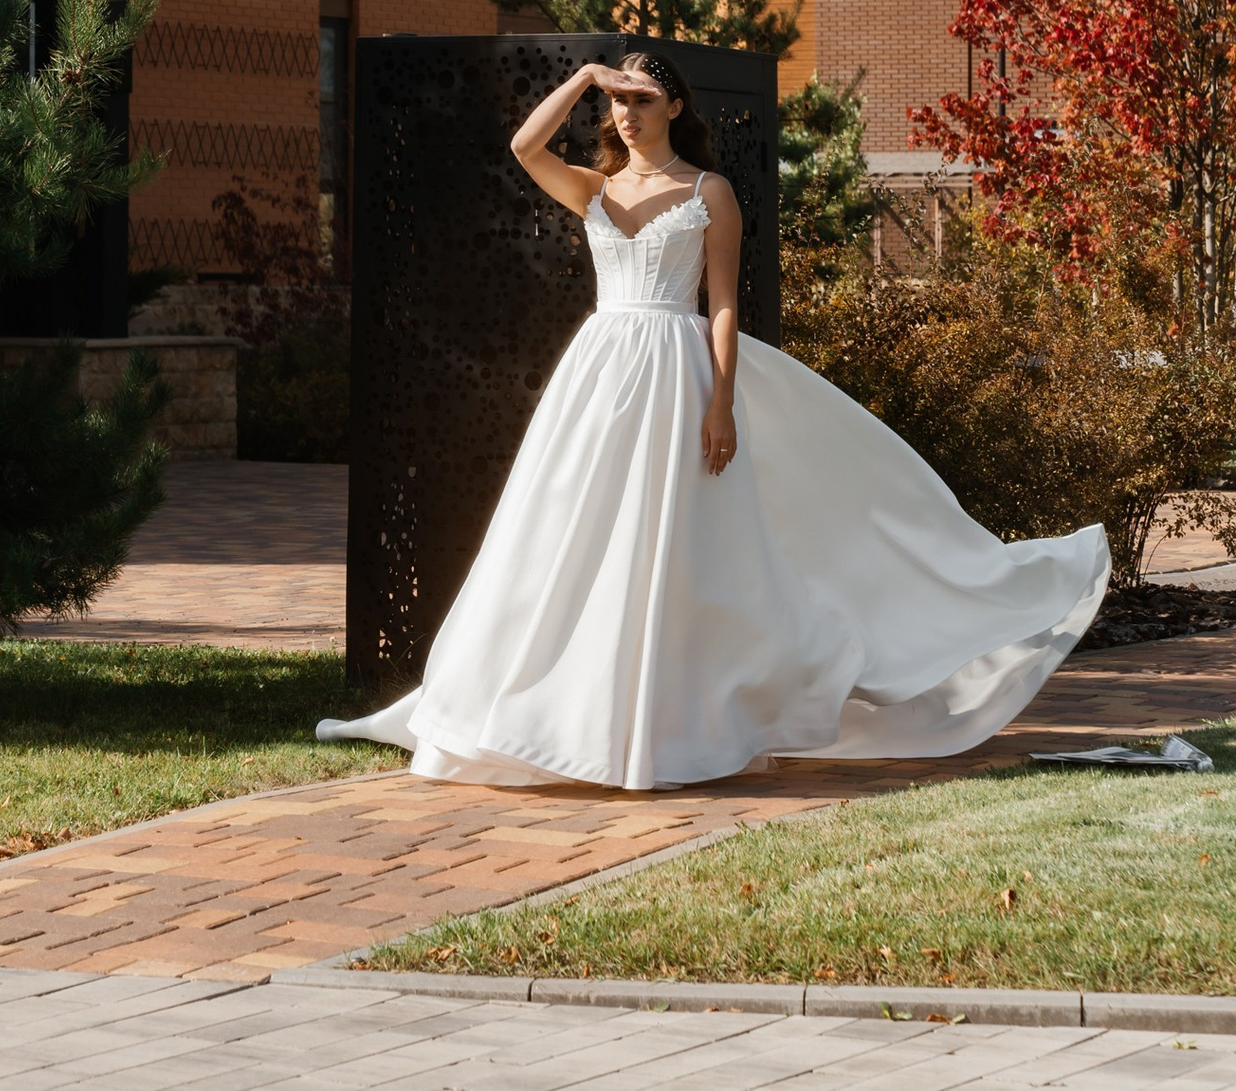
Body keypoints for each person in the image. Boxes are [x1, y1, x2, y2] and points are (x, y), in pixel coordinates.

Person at [317, 50, 1110, 790]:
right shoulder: (593, 188)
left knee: (672, 546)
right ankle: (561, 714)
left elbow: (723, 304)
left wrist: (721, 401)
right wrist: (586, 74)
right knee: (570, 533)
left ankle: (676, 724)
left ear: (674, 106)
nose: (625, 112)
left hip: (674, 369)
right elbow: (525, 145)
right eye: (616, 100)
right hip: (597, 374)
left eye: (641, 99)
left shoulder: (709, 194)